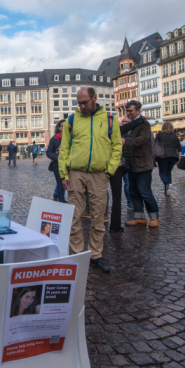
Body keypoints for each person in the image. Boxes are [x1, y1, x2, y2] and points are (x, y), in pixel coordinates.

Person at [58, 87, 122, 273]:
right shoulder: (71, 120)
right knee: (74, 217)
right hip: (76, 173)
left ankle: (95, 254)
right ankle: (78, 254)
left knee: (98, 218)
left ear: (95, 98)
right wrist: (64, 174)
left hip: (99, 174)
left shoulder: (110, 120)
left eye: (85, 102)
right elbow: (64, 150)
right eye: (79, 103)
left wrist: (109, 171)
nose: (82, 106)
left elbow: (117, 146)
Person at [123, 100, 159, 229]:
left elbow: (142, 140)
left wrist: (124, 141)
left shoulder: (144, 124)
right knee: (134, 191)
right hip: (131, 163)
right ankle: (139, 217)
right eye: (127, 111)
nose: (128, 113)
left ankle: (154, 217)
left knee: (145, 191)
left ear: (138, 111)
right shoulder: (131, 124)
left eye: (130, 111)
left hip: (143, 163)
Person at [108, 115, 146, 233]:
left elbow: (129, 126)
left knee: (100, 196)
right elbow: (129, 126)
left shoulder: (96, 131)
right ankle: (115, 226)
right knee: (116, 196)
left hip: (102, 165)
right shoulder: (116, 131)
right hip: (116, 165)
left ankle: (102, 221)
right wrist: (141, 119)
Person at [156, 122, 182, 195]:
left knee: (162, 173)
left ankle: (167, 184)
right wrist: (179, 158)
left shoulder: (160, 135)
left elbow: (156, 145)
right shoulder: (174, 135)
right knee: (168, 172)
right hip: (173, 157)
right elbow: (179, 147)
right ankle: (167, 190)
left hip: (163, 156)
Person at [47, 120, 66, 203]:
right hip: (57, 165)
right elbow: (48, 152)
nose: (65, 127)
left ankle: (58, 196)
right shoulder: (54, 139)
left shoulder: (71, 138)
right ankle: (61, 202)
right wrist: (57, 158)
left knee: (67, 184)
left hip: (69, 165)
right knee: (60, 184)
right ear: (59, 128)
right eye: (62, 126)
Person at [120, 116, 133, 210]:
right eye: (123, 121)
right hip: (123, 161)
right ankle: (130, 201)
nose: (124, 123)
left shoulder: (133, 132)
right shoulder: (119, 132)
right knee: (127, 183)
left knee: (131, 183)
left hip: (132, 160)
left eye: (126, 121)